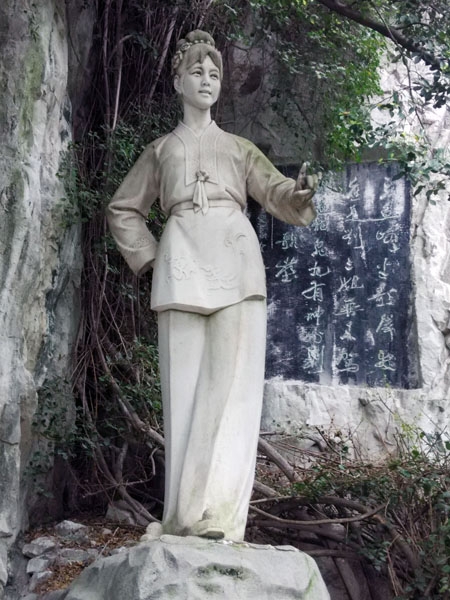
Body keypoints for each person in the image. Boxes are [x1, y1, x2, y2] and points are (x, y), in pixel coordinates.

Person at [106, 30, 318, 542]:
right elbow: (123, 209)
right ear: (178, 81)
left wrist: (300, 194)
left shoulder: (239, 148)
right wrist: (150, 260)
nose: (206, 80)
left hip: (236, 261)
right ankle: (182, 516)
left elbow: (278, 192)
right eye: (197, 72)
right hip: (181, 261)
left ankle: (222, 518)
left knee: (234, 390)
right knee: (183, 390)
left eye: (214, 74)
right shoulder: (161, 150)